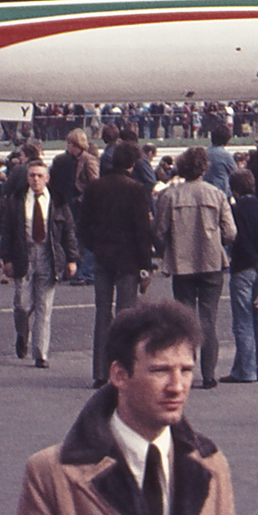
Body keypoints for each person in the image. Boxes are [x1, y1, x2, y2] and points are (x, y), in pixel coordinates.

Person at [11, 301, 247, 515]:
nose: (177, 386)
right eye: (160, 371)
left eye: (185, 370)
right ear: (120, 376)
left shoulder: (211, 464)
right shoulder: (51, 474)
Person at [153, 146, 236, 391]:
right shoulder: (216, 194)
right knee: (208, 318)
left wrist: (165, 250)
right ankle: (209, 374)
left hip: (182, 262)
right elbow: (230, 232)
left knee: (185, 319)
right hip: (211, 261)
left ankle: (186, 368)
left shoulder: (170, 195)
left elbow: (159, 232)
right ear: (204, 168)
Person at [81, 141, 155, 389]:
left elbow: (83, 226)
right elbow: (142, 231)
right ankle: (123, 369)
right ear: (132, 164)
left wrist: (96, 245)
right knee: (126, 315)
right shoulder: (135, 190)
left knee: (102, 313)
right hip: (129, 259)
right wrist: (146, 265)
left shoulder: (95, 187)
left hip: (103, 255)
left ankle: (100, 371)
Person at [0, 160, 79, 369]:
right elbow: (6, 231)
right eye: (32, 175)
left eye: (40, 176)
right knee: (22, 304)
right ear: (27, 178)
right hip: (23, 253)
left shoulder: (58, 201)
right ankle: (22, 334)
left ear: (47, 178)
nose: (35, 179)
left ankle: (40, 353)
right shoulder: (16, 200)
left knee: (44, 307)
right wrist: (6, 259)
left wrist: (71, 259)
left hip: (48, 254)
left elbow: (68, 231)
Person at [223, 167, 258, 384]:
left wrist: (257, 263)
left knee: (243, 320)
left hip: (244, 267)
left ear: (234, 188)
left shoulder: (236, 210)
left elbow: (240, 239)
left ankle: (245, 370)